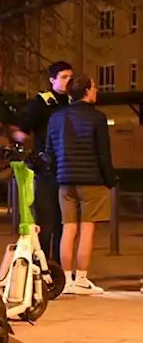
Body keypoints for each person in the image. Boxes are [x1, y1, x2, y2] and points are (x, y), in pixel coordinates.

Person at [44, 75, 115, 296]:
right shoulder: (97, 118)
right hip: (91, 180)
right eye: (94, 87)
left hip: (65, 181)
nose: (96, 91)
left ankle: (65, 280)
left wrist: (58, 173)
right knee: (87, 229)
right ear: (86, 90)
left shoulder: (55, 118)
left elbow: (50, 152)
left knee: (68, 228)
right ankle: (81, 279)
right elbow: (103, 152)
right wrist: (110, 178)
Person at [12, 61, 73, 269]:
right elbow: (23, 127)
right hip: (47, 169)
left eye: (70, 77)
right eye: (63, 77)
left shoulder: (73, 102)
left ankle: (58, 264)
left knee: (63, 222)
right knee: (47, 219)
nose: (68, 81)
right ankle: (42, 262)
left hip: (67, 168)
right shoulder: (43, 102)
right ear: (52, 80)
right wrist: (21, 136)